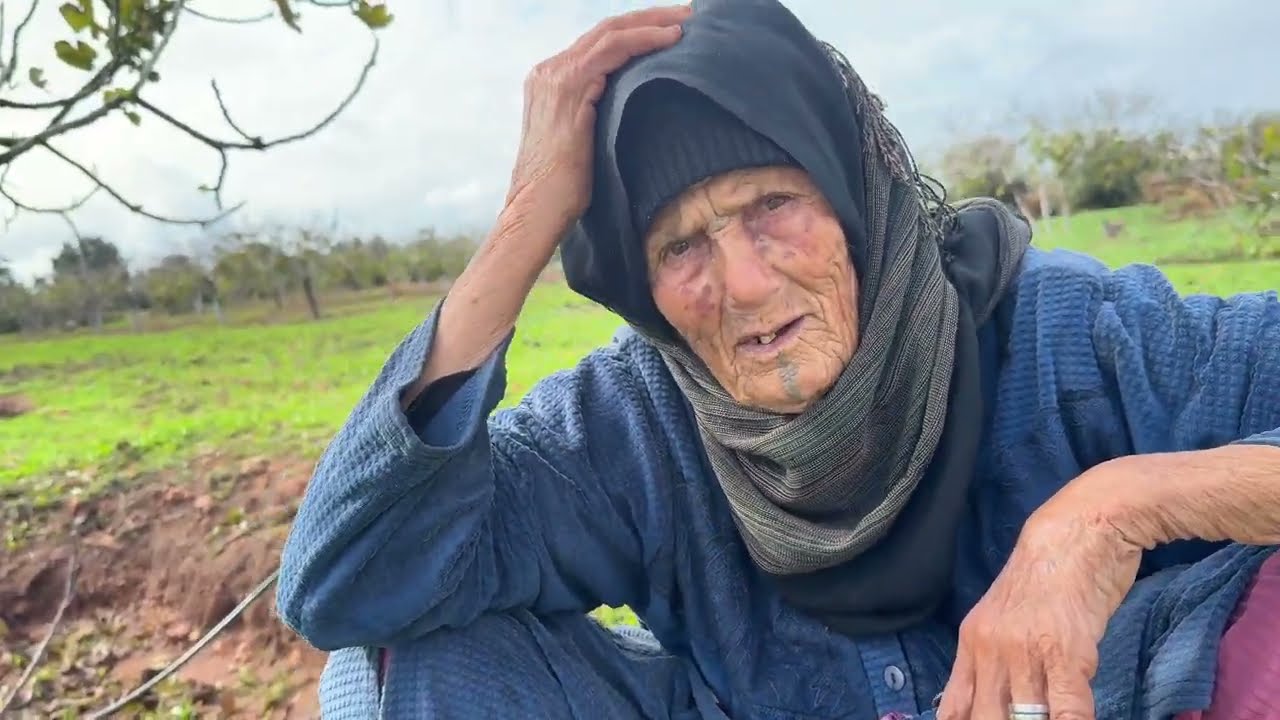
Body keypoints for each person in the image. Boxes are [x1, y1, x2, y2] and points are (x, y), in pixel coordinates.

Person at [275, 1, 1280, 718]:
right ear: (638, 287)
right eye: (678, 247)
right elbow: (346, 588)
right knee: (397, 662)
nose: (745, 285)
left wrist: (1102, 515)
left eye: (772, 208)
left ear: (853, 196)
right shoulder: (635, 426)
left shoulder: (1066, 336)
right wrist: (525, 220)